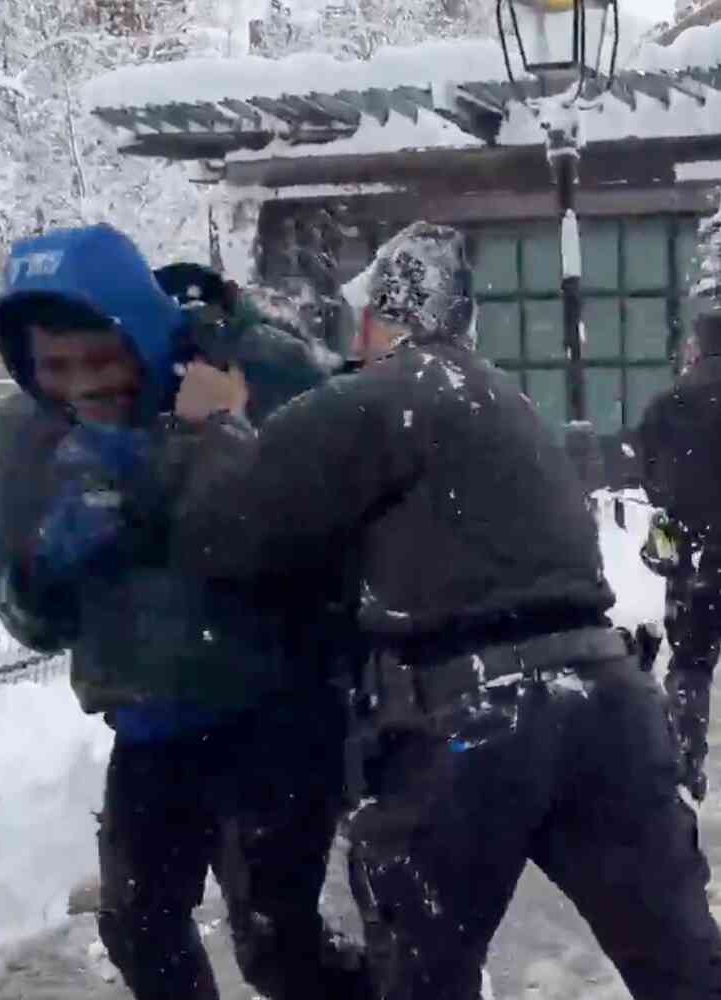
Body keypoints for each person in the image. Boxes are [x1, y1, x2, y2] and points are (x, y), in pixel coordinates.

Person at [168, 220, 721, 999]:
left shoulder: (378, 395)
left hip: (474, 723)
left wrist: (218, 421)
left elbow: (227, 536)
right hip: (608, 703)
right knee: (685, 971)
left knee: (424, 979)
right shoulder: (510, 404)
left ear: (374, 319)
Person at [0, 224, 366, 1000]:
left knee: (275, 942)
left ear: (144, 333)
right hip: (150, 725)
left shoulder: (256, 372)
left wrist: (222, 445)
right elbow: (24, 612)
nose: (83, 384)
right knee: (138, 927)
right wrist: (52, 558)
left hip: (281, 711)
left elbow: (353, 511)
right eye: (54, 366)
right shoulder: (27, 435)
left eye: (102, 357)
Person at [639, 303, 721, 802]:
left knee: (690, 661)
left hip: (694, 556)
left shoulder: (668, 405)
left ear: (696, 346)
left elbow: (653, 485)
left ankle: (686, 756)